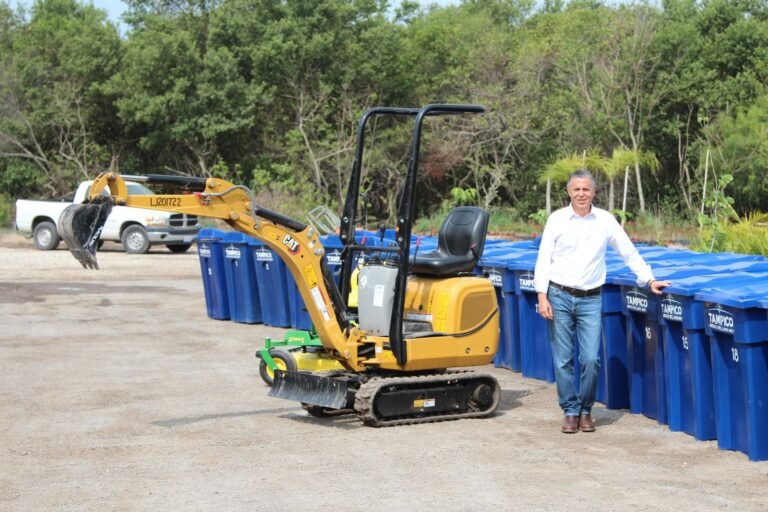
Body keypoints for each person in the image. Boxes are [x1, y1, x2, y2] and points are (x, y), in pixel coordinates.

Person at [533, 169, 670, 434]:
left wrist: (649, 279)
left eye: (586, 189)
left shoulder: (605, 221)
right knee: (563, 359)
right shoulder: (557, 220)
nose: (581, 194)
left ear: (594, 192)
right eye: (577, 189)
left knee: (591, 359)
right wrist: (542, 295)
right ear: (569, 192)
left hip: (590, 299)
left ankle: (586, 408)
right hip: (559, 295)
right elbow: (544, 258)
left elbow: (627, 251)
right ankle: (571, 411)